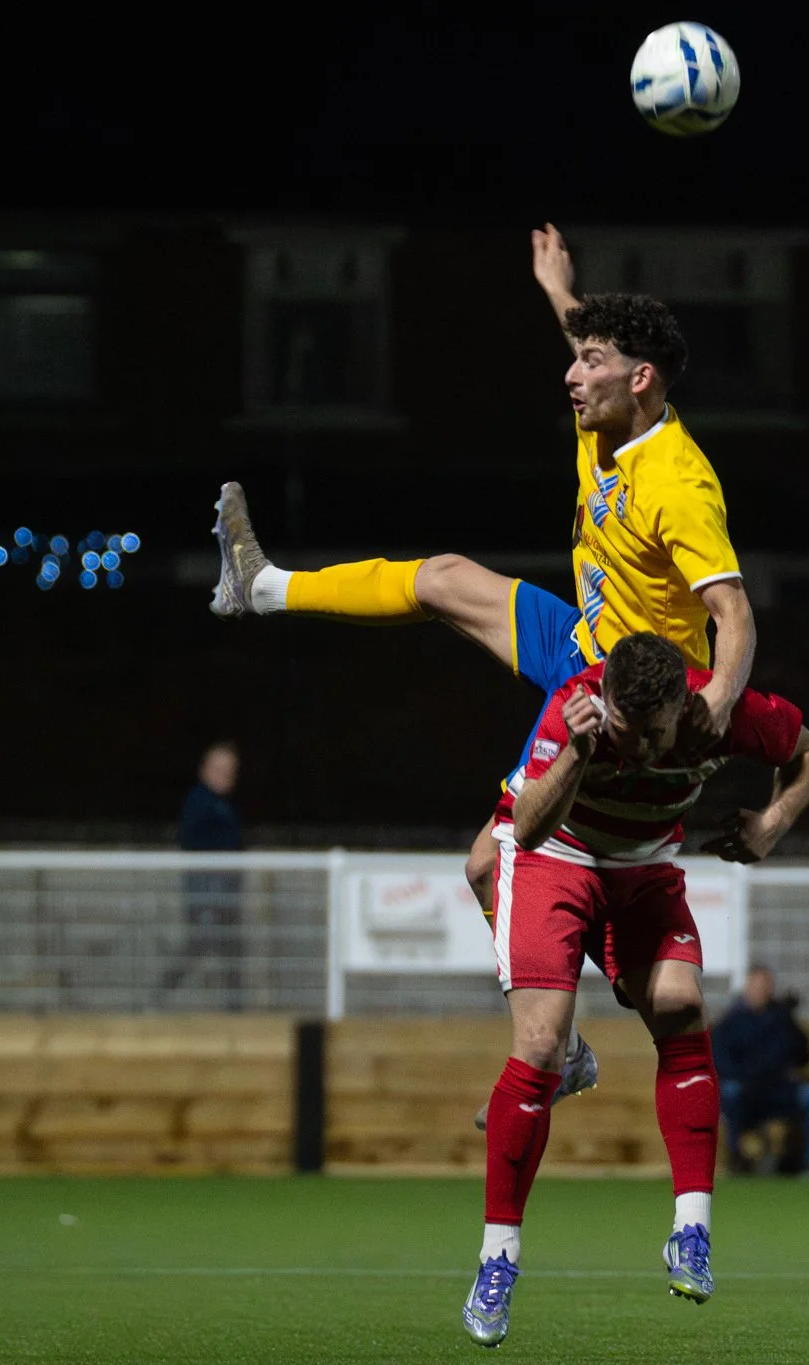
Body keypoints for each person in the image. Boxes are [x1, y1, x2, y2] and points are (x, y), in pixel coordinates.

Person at [210, 224, 758, 1107]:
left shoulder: (679, 486)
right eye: (575, 357)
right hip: (584, 638)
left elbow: (734, 610)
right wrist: (559, 289)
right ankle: (263, 586)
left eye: (588, 362)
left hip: (624, 689)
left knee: (481, 867)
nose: (571, 375)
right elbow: (600, 341)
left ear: (638, 380)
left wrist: (720, 700)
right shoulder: (612, 413)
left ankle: (565, 1047)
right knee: (442, 578)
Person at [459, 632, 809, 1347]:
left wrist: (775, 820)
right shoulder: (579, 708)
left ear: (682, 706)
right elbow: (527, 828)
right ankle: (497, 1260)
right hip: (555, 858)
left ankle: (691, 1231)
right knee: (536, 1044)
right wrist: (577, 753)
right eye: (621, 727)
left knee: (683, 1005)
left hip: (643, 864)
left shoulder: (723, 714)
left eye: (647, 732)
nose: (636, 744)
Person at [714, 965, 809, 1176]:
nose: (760, 991)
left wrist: (789, 1020)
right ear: (747, 987)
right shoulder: (730, 1022)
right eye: (756, 985)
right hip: (746, 1090)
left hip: (779, 1089)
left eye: (765, 986)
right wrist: (748, 1078)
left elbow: (803, 1057)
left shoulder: (782, 1018)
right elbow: (721, 1062)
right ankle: (736, 1157)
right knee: (729, 1092)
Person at [168, 741, 244, 1003]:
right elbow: (189, 839)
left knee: (231, 948)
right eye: (219, 769)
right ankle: (160, 996)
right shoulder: (200, 800)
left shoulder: (224, 804)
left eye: (230, 770)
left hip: (225, 888)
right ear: (205, 770)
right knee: (201, 943)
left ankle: (236, 1010)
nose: (225, 775)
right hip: (206, 887)